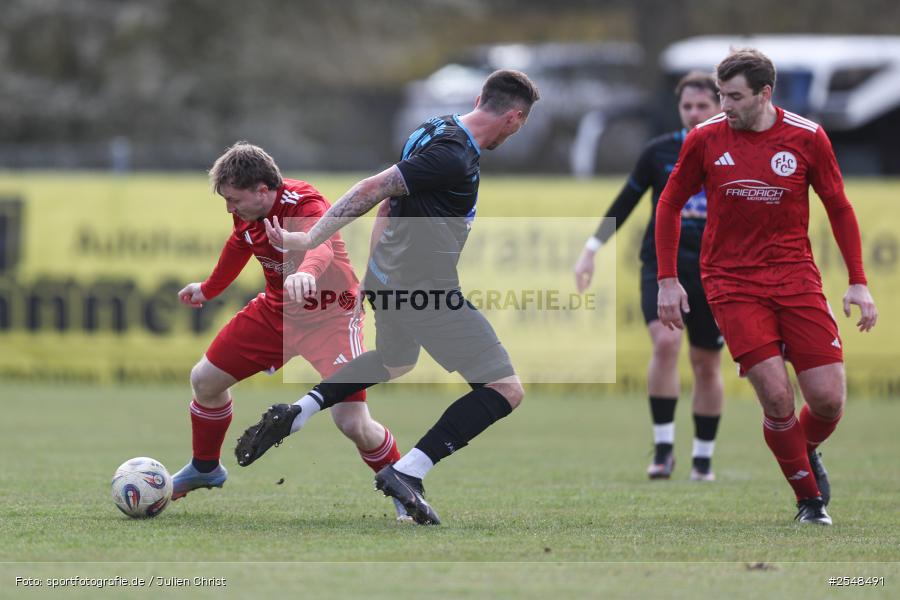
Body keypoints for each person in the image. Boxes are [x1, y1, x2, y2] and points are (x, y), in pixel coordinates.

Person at [234, 69, 540, 525]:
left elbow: (392, 206)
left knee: (397, 361)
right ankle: (410, 471)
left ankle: (300, 410)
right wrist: (309, 239)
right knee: (504, 390)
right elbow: (372, 190)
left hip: (392, 280)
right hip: (426, 289)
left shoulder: (434, 127)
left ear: (480, 97)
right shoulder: (454, 156)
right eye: (521, 124)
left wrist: (372, 276)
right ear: (514, 118)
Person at [655, 49, 877, 525]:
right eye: (721, 95)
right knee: (777, 398)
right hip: (731, 282)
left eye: (734, 96)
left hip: (796, 277)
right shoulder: (705, 139)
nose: (724, 105)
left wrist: (859, 281)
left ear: (765, 94)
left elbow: (839, 207)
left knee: (828, 400)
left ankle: (802, 448)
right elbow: (669, 204)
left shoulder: (807, 137)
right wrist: (668, 279)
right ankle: (810, 502)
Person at [172, 142, 410, 520]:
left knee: (351, 422)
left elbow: (324, 248)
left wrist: (305, 273)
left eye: (234, 200)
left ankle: (405, 486)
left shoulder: (306, 204)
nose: (230, 209)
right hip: (275, 313)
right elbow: (239, 244)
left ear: (262, 190)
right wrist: (208, 289)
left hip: (331, 316)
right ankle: (205, 468)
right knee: (204, 380)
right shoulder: (247, 212)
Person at [574, 71, 725, 482]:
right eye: (687, 107)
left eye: (702, 106)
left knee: (706, 363)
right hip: (663, 267)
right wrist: (591, 250)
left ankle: (703, 458)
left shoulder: (734, 152)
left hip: (715, 271)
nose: (694, 114)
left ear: (720, 106)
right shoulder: (660, 152)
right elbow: (624, 202)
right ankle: (662, 450)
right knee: (665, 341)